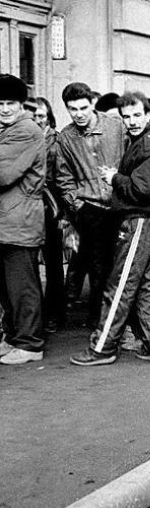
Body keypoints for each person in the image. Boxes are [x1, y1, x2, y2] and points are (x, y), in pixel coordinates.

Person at [70, 91, 150, 366]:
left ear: (148, 115)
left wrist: (113, 177)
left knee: (119, 286)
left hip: (140, 219)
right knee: (144, 285)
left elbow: (143, 190)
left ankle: (102, 348)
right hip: (144, 221)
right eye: (126, 116)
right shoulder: (145, 141)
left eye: (136, 115)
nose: (131, 121)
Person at [55, 81, 124, 328]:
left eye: (83, 108)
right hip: (90, 209)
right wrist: (77, 206)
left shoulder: (115, 126)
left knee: (120, 266)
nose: (79, 114)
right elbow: (63, 177)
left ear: (93, 103)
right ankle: (99, 322)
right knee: (97, 270)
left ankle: (120, 322)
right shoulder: (66, 137)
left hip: (120, 206)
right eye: (72, 109)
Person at [0, 74, 47, 365]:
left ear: (21, 104)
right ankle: (14, 337)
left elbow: (3, 173)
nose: (4, 108)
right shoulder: (6, 130)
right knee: (6, 288)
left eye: (10, 103)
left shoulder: (26, 131)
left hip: (20, 221)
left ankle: (30, 344)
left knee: (22, 286)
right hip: (7, 222)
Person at [31, 96, 66, 332]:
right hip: (30, 208)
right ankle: (37, 315)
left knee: (53, 264)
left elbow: (62, 179)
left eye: (41, 115)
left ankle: (55, 314)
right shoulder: (24, 138)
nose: (37, 120)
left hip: (51, 208)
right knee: (29, 265)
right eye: (33, 115)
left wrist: (64, 213)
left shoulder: (57, 141)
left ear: (49, 117)